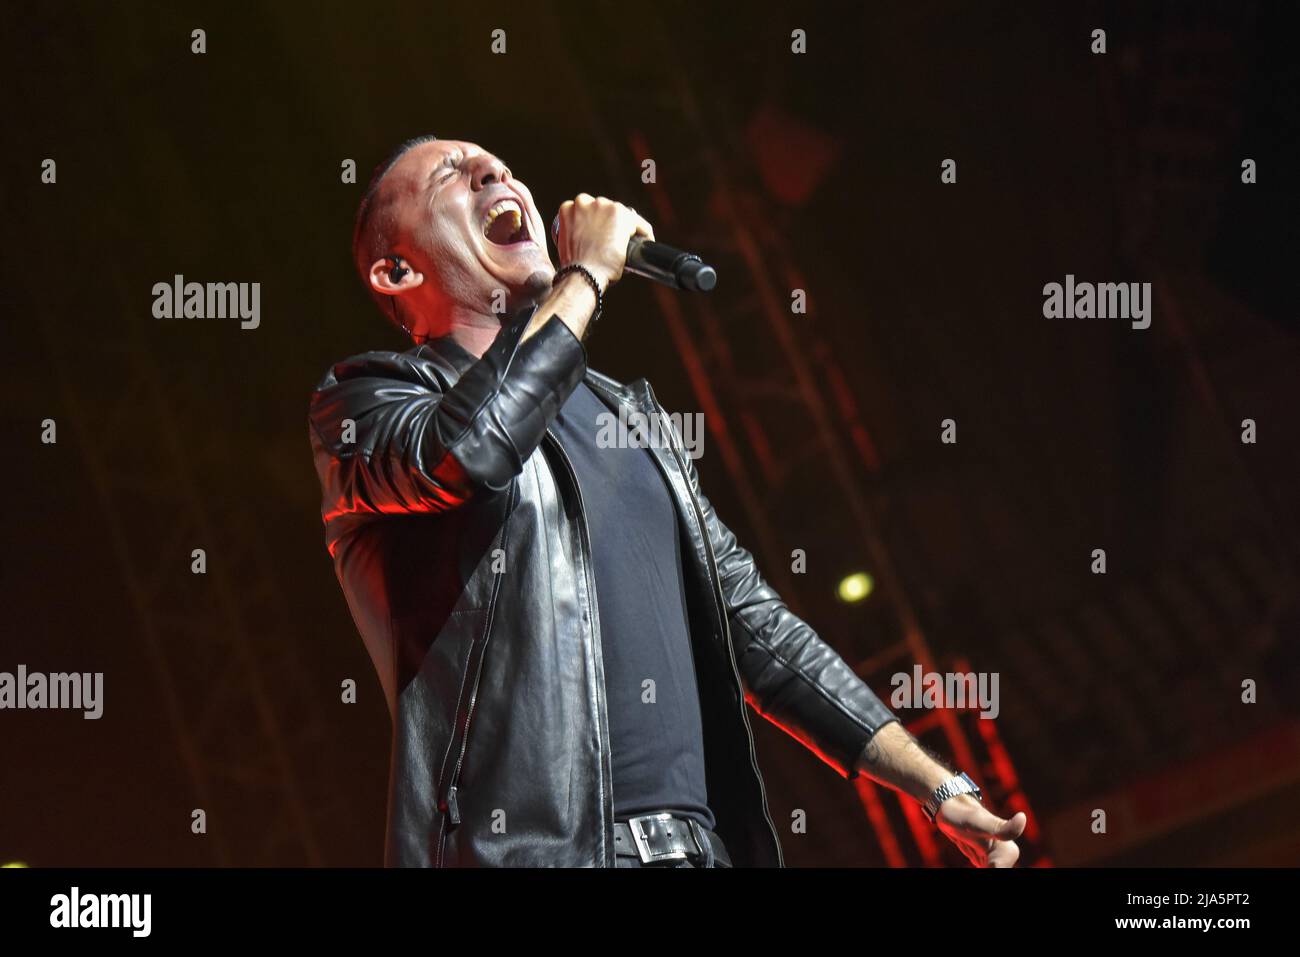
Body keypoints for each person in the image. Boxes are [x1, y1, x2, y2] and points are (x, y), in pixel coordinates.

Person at [307, 135, 1026, 867]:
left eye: (499, 164)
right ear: (397, 270)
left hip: (697, 850)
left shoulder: (627, 418)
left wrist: (937, 787)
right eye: (454, 177)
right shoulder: (364, 405)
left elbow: (753, 625)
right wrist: (585, 272)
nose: (495, 171)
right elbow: (469, 454)